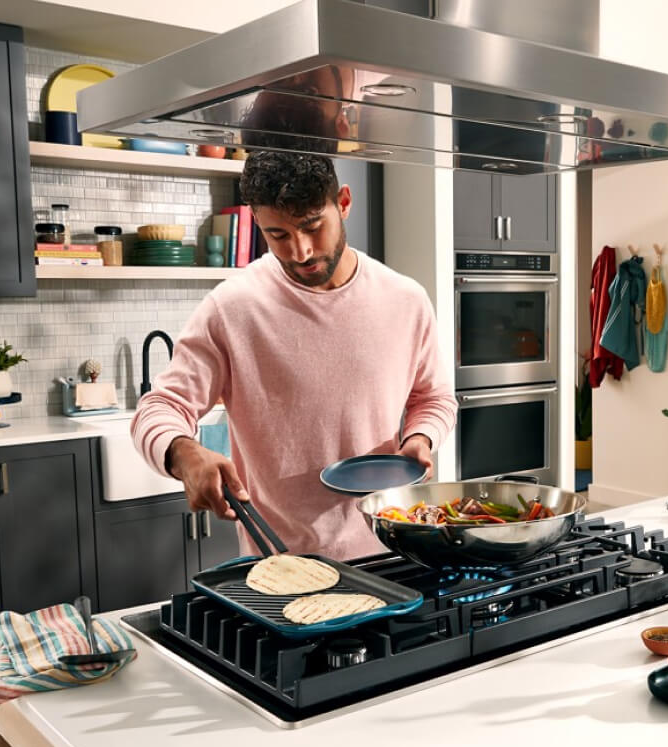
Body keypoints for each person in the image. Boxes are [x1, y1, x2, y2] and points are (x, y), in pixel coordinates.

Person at [132, 150, 456, 559]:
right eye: (278, 235)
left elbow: (435, 397)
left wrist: (420, 437)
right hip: (282, 564)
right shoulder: (232, 308)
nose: (300, 252)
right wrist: (184, 452)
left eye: (311, 227)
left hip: (395, 549)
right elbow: (160, 407)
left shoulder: (405, 299)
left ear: (343, 203)